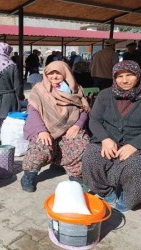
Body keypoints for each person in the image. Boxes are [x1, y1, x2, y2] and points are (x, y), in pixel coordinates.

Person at [82, 60, 141, 213]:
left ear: (138, 75)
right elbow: (95, 120)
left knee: (135, 166)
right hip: (109, 140)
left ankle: (128, 197)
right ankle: (106, 192)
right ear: (114, 78)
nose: (124, 80)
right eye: (119, 76)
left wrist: (134, 145)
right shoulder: (105, 94)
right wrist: (105, 139)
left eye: (129, 75)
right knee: (90, 159)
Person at [21, 61, 91, 192]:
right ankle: (29, 174)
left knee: (82, 142)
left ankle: (75, 173)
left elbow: (84, 110)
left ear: (65, 73)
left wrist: (77, 125)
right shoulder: (39, 89)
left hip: (69, 127)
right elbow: (33, 111)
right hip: (45, 128)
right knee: (41, 145)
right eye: (50, 73)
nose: (54, 76)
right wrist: (41, 131)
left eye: (57, 73)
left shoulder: (76, 89)